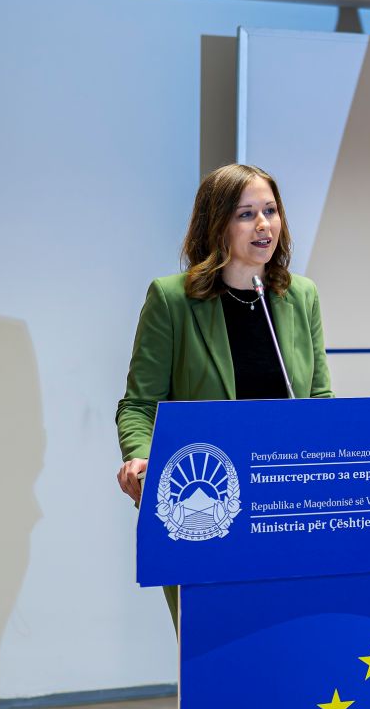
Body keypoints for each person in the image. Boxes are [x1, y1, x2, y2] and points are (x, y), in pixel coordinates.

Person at [116, 164, 334, 627]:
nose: (264, 225)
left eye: (271, 211)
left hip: (288, 506)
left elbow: (319, 400)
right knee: (221, 663)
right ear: (216, 224)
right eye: (246, 214)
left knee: (290, 653)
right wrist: (141, 458)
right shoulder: (172, 300)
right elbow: (138, 404)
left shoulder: (302, 297)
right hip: (206, 506)